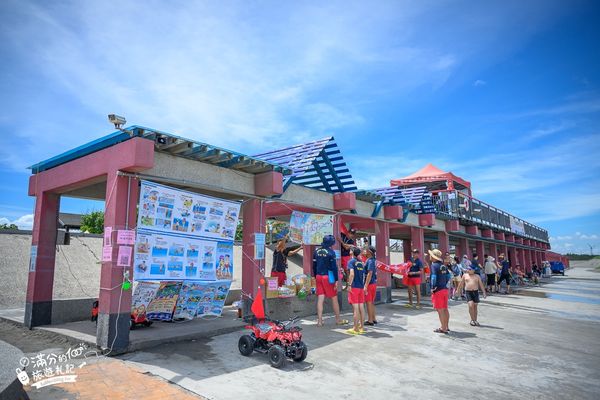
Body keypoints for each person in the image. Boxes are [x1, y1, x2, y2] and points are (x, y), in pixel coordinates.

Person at [313, 235, 347, 327]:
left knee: (320, 298)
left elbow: (314, 265)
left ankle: (319, 321)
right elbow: (334, 268)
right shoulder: (331, 253)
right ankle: (338, 319)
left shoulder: (316, 251)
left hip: (318, 276)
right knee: (334, 298)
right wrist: (336, 280)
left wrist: (315, 276)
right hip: (328, 276)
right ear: (331, 243)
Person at [428, 249, 451, 334]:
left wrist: (433, 287)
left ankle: (443, 328)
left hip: (438, 290)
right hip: (444, 289)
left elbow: (433, 277)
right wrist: (444, 283)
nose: (429, 256)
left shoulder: (434, 265)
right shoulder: (443, 265)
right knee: (445, 309)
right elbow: (448, 275)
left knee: (440, 310)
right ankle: (446, 326)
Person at [346, 248, 366, 335]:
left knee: (356, 308)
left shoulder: (351, 262)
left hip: (354, 287)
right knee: (361, 307)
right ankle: (362, 327)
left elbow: (352, 274)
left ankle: (355, 328)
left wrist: (349, 285)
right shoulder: (361, 263)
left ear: (353, 253)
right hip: (361, 287)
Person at [364, 246, 378, 326]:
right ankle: (373, 318)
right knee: (371, 302)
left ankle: (370, 320)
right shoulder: (372, 260)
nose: (365, 251)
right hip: (373, 283)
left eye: (366, 250)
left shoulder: (370, 261)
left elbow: (369, 273)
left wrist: (365, 285)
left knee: (368, 302)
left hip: (370, 284)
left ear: (369, 252)